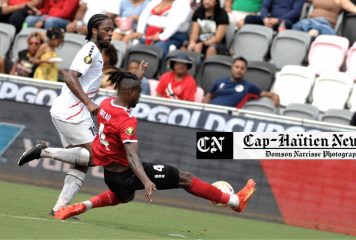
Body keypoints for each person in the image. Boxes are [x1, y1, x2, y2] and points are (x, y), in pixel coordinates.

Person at [48, 69, 256, 220]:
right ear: (129, 93)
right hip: (127, 173)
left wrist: (136, 74)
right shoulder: (127, 120)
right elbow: (132, 156)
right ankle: (236, 202)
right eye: (138, 91)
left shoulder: (106, 104)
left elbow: (122, 89)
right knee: (185, 178)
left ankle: (83, 205)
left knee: (123, 197)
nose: (140, 95)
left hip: (111, 176)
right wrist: (146, 181)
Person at [18, 14, 115, 216]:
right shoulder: (90, 49)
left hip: (67, 111)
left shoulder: (94, 51)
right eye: (106, 29)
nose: (111, 33)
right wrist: (89, 103)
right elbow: (71, 76)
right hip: (74, 112)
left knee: (80, 162)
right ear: (94, 31)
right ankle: (42, 152)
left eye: (112, 29)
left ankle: (59, 209)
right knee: (96, 157)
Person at [203, 57, 280, 108]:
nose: (239, 70)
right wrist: (204, 108)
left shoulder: (248, 86)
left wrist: (274, 95)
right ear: (232, 68)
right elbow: (209, 95)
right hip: (211, 111)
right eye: (237, 67)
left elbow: (263, 93)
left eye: (242, 68)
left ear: (245, 71)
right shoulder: (219, 81)